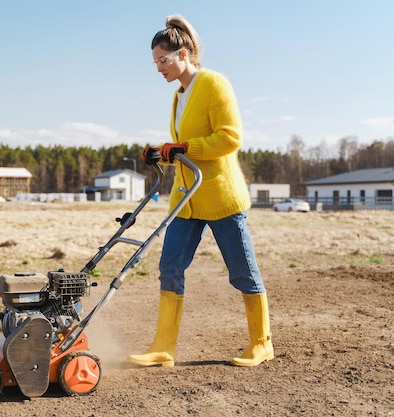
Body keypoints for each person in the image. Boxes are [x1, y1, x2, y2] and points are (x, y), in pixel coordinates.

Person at [127, 14, 274, 368]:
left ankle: (261, 343)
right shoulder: (179, 96)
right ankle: (163, 347)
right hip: (186, 199)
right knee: (170, 267)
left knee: (242, 270)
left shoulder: (214, 83)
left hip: (220, 197)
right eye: (155, 63)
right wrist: (161, 153)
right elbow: (182, 146)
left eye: (163, 60)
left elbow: (229, 137)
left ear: (185, 53)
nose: (159, 68)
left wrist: (183, 148)